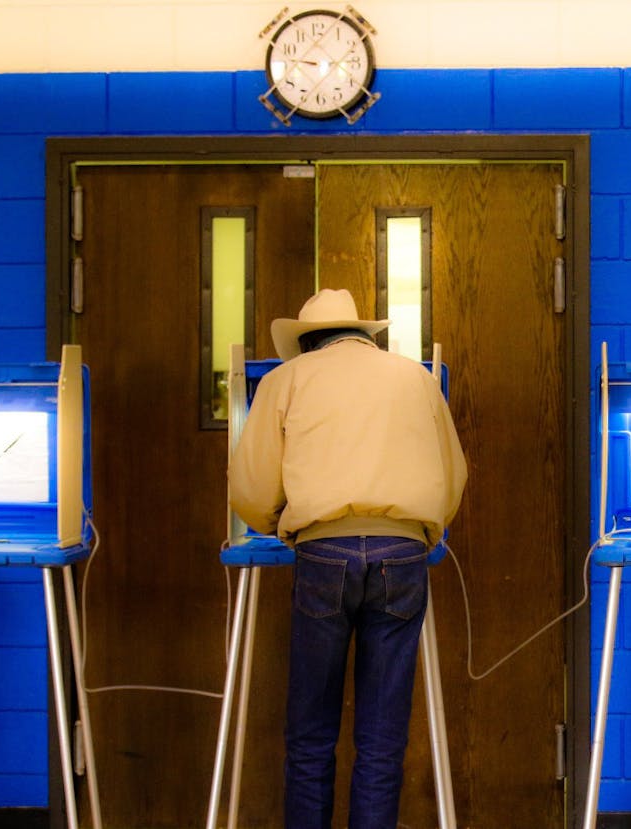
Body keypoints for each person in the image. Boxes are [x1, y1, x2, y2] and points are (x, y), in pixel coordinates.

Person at [228, 288, 467, 829]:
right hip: (402, 554)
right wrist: (422, 532)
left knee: (311, 735)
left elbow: (251, 484)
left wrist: (278, 526)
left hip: (324, 553)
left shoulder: (283, 380)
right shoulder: (417, 378)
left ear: (305, 344)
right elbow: (452, 476)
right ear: (364, 336)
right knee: (382, 740)